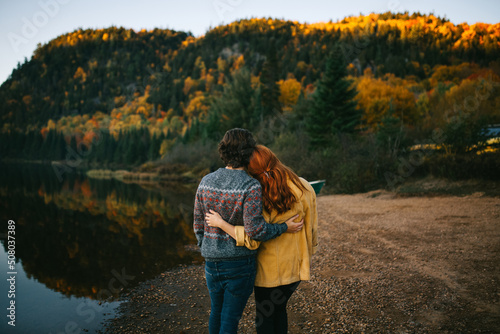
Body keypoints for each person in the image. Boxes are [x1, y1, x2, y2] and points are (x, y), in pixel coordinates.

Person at [193, 129, 304, 334]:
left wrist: (206, 246)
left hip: (211, 261)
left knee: (215, 313)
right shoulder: (250, 186)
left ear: (223, 151)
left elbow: (198, 223)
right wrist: (283, 227)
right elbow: (256, 230)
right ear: (249, 153)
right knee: (229, 320)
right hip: (239, 264)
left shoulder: (206, 180)